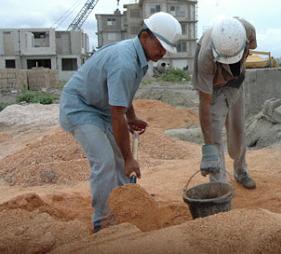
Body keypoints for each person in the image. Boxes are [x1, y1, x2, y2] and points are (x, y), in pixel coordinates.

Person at [59, 12, 181, 232]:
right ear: (145, 37)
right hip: (80, 107)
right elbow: (117, 114)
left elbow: (123, 95)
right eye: (160, 46)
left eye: (166, 49)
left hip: (102, 108)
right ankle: (102, 223)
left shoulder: (139, 58)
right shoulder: (124, 61)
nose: (162, 53)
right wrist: (130, 158)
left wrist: (131, 116)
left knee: (118, 160)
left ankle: (125, 210)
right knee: (106, 161)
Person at [192, 17, 257, 189]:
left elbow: (253, 46)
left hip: (236, 84)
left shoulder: (247, 29)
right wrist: (208, 149)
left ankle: (240, 170)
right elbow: (204, 103)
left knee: (238, 129)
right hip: (215, 89)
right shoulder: (205, 58)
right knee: (214, 136)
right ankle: (219, 185)